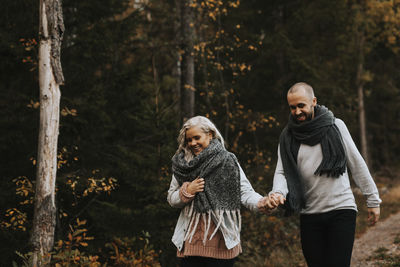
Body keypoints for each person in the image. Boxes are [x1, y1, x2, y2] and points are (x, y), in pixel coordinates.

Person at [265, 82, 381, 267]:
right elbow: (281, 172)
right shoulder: (287, 136)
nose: (297, 112)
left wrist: (372, 199)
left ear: (313, 101)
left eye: (301, 105)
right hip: (310, 213)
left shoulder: (335, 126)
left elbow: (356, 163)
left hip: (341, 210)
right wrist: (277, 192)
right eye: (292, 107)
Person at [167, 116, 267, 267]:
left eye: (197, 137)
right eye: (189, 140)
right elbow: (171, 198)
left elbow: (245, 192)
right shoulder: (182, 165)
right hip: (190, 245)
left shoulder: (227, 160)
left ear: (210, 135)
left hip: (222, 245)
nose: (193, 143)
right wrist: (187, 190)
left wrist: (261, 202)